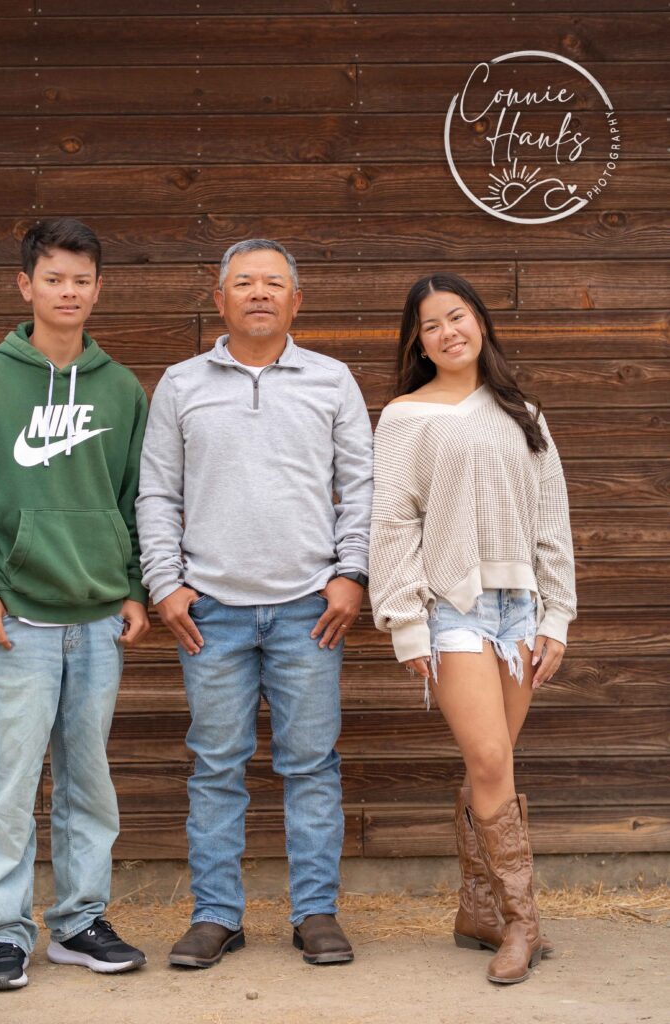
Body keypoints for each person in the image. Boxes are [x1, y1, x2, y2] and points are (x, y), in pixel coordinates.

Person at [136, 239, 373, 968]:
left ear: (296, 302)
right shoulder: (179, 384)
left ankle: (315, 914)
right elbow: (156, 493)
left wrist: (351, 573)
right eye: (244, 283)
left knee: (310, 765)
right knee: (214, 767)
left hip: (310, 610)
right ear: (220, 300)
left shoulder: (332, 381)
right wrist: (164, 583)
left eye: (274, 283)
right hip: (211, 614)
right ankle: (216, 915)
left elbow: (362, 487)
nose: (260, 293)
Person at [0, 218, 151, 991]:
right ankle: (4, 932)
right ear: (26, 286)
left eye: (81, 279)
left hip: (95, 618)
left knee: (89, 781)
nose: (68, 291)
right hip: (16, 622)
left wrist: (131, 586)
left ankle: (81, 922)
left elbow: (133, 501)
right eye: (53, 277)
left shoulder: (122, 389)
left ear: (98, 289)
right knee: (11, 782)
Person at [369, 272, 576, 985]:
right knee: (489, 760)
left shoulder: (522, 413)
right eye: (430, 325)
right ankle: (522, 922)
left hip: (519, 607)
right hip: (450, 608)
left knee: (495, 763)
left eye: (455, 317)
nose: (446, 332)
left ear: (479, 323)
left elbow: (552, 523)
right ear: (417, 343)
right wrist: (405, 626)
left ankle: (478, 909)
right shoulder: (404, 417)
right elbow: (392, 525)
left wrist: (556, 616)